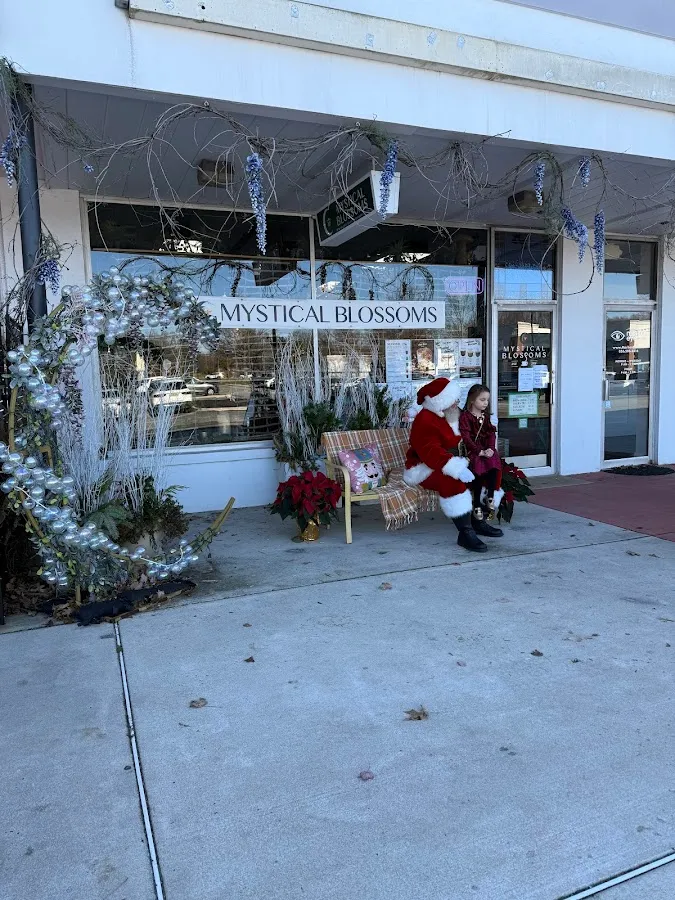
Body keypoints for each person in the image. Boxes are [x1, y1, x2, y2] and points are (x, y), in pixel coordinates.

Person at [403, 377, 487, 552]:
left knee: (483, 472)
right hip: (425, 467)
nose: (457, 402)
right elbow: (430, 452)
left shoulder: (450, 414)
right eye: (453, 399)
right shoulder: (425, 420)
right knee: (451, 481)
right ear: (441, 400)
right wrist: (455, 468)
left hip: (453, 460)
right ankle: (465, 533)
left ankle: (478, 521)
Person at [459, 384, 505, 538]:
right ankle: (477, 505)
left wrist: (491, 448)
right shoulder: (466, 417)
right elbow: (466, 437)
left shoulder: (486, 417)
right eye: (482, 399)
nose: (485, 403)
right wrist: (479, 451)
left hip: (486, 448)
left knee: (493, 462)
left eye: (487, 400)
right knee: (478, 467)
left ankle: (490, 495)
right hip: (474, 450)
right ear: (472, 400)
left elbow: (491, 433)